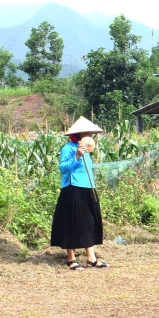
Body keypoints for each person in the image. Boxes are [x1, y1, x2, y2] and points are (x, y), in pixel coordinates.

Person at [50, 116, 107, 270]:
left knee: (89, 222)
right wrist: (76, 156)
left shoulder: (87, 149)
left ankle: (91, 258)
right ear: (80, 133)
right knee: (72, 222)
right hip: (72, 189)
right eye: (87, 132)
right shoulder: (68, 148)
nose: (90, 134)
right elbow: (63, 169)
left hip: (87, 188)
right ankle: (71, 259)